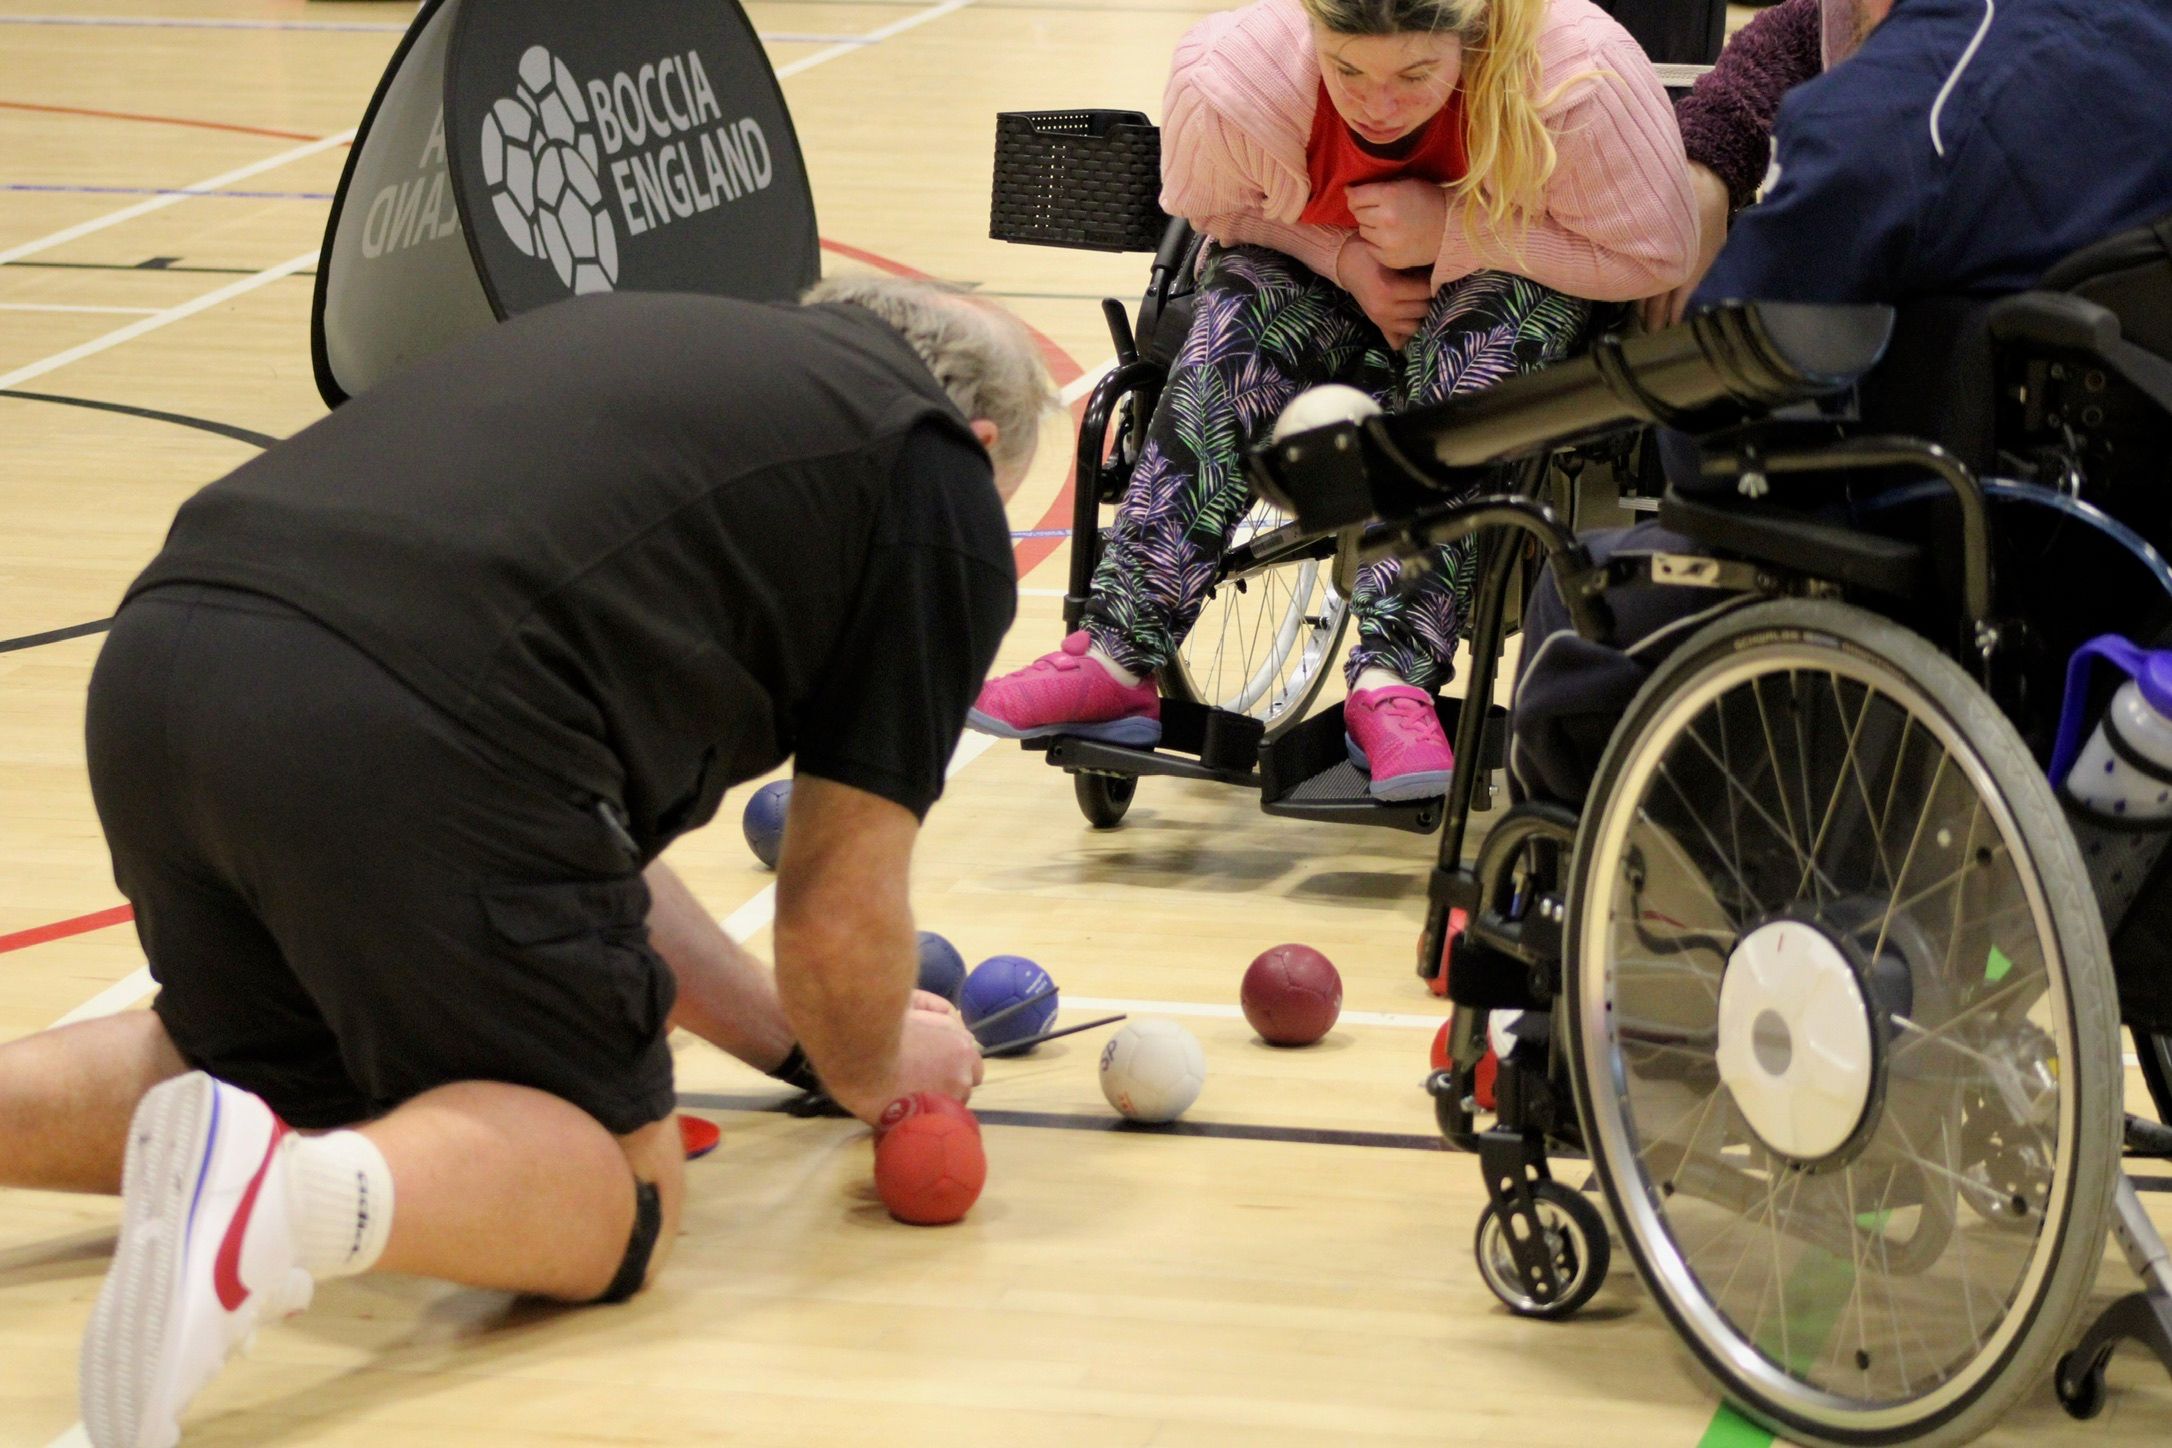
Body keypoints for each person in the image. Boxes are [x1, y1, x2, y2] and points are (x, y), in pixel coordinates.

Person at [0, 277, 1049, 1448]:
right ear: (982, 446)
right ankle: (279, 1197)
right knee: (625, 1194)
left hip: (166, 663)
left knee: (273, 1069)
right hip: (409, 728)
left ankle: (212, 1148)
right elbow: (835, 911)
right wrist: (876, 1065)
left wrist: (788, 1041)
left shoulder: (669, 347)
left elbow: (585, 849)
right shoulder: (933, 471)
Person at [969, 0, 1695, 800]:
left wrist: (1453, 235)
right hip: (1328, 273)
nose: (1377, 105)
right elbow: (1217, 212)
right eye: (1347, 69)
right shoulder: (1231, 74)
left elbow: (1655, 253)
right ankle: (1116, 653)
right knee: (1239, 310)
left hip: (1506, 277)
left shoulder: (1577, 73)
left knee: (1488, 342)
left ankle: (1392, 681)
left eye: (1415, 74)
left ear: (1471, 35)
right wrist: (1349, 262)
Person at [1513, 0, 2172, 806]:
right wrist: (1713, 155)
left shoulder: (1899, 102)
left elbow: (1716, 421)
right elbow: (1802, 32)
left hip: (1936, 594)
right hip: (2131, 600)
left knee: (1577, 604)